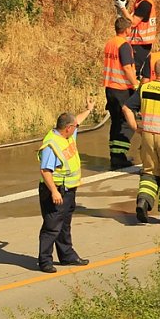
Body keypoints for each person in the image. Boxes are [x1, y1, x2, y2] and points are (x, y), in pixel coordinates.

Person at [37, 96, 95, 273]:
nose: (76, 127)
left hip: (69, 190)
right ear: (67, 128)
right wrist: (54, 191)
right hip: (55, 191)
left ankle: (67, 256)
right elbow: (45, 171)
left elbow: (77, 120)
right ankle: (45, 261)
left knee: (65, 224)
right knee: (52, 226)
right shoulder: (52, 144)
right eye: (73, 127)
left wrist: (89, 109)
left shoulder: (67, 135)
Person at [121, 59, 160, 224]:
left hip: (147, 137)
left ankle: (143, 202)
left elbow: (126, 107)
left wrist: (135, 127)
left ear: (154, 73)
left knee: (149, 172)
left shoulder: (145, 88)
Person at [103, 17, 139, 169]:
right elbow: (127, 68)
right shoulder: (124, 45)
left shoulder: (110, 43)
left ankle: (116, 155)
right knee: (125, 123)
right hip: (121, 88)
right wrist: (135, 84)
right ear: (126, 30)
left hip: (110, 87)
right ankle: (119, 157)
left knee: (116, 122)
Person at [115, 0, 157, 80]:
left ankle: (134, 94)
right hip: (138, 43)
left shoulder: (145, 4)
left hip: (141, 44)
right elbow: (130, 18)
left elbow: (133, 22)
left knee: (133, 71)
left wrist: (122, 8)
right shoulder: (140, 1)